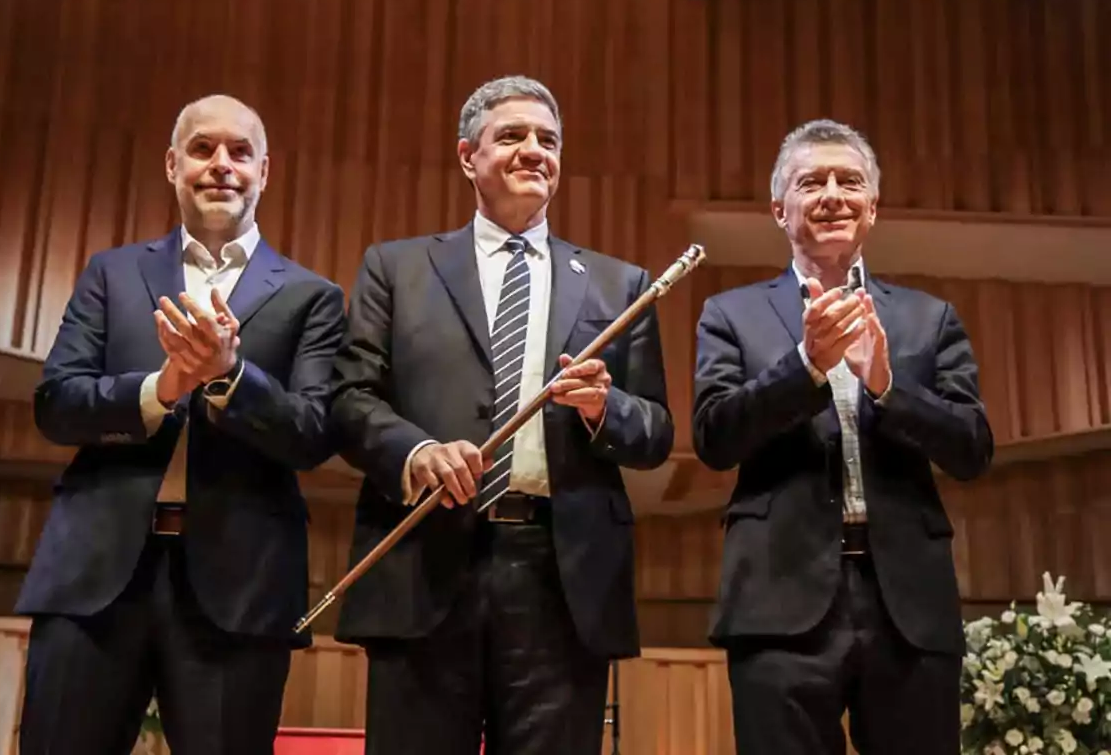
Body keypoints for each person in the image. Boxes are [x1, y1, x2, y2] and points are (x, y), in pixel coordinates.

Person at [329, 75, 674, 755]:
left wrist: (606, 408)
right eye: (511, 135)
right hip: (424, 569)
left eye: (548, 139)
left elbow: (657, 431)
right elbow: (348, 399)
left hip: (561, 579)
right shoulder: (396, 268)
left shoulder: (619, 283)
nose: (533, 150)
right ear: (467, 157)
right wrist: (412, 453)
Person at [16, 94, 346, 755]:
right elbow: (56, 405)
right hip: (94, 580)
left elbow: (312, 434)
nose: (221, 165)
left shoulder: (315, 296)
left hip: (240, 589)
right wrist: (161, 389)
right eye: (202, 149)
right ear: (172, 165)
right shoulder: (111, 273)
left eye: (240, 152)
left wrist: (228, 378)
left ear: (265, 172)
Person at [692, 119, 994, 754]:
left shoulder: (928, 317)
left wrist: (887, 385)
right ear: (780, 208)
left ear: (873, 207)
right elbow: (715, 438)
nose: (833, 193)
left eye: (849, 181)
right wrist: (804, 366)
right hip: (778, 602)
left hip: (907, 603)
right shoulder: (731, 314)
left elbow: (971, 449)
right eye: (812, 182)